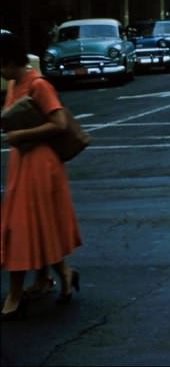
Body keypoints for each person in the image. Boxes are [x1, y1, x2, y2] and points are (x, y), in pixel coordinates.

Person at [1, 33, 82, 320]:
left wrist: (22, 133)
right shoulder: (13, 84)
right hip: (21, 161)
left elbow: (59, 123)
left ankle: (14, 293)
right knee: (38, 224)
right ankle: (62, 274)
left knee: (19, 227)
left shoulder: (38, 85)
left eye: (2, 65)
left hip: (40, 163)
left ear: (11, 62)